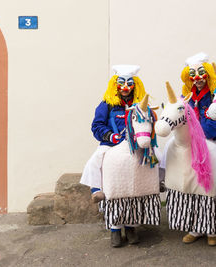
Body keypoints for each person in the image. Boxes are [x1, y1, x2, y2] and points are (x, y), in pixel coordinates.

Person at [80, 65, 146, 247]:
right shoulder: (106, 104)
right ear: (115, 84)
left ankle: (132, 226)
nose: (126, 87)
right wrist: (110, 135)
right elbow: (97, 125)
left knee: (156, 157)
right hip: (111, 145)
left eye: (130, 83)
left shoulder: (140, 102)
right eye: (122, 83)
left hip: (134, 146)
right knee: (96, 159)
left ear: (135, 85)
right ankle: (98, 194)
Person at [179, 52, 216, 245]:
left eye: (201, 74)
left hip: (215, 139)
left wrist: (200, 135)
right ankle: (196, 227)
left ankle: (213, 228)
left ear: (207, 73)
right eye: (193, 75)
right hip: (193, 140)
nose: (197, 79)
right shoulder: (186, 95)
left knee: (215, 178)